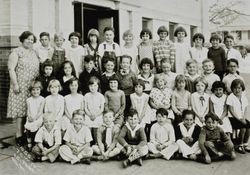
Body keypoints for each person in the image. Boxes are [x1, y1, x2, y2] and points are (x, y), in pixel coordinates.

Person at [7, 31, 40, 145]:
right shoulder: (16, 52)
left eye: (32, 39)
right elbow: (11, 69)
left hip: (32, 87)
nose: (30, 41)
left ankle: (27, 133)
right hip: (20, 85)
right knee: (20, 112)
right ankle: (19, 135)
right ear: (22, 39)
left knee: (30, 110)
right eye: (28, 39)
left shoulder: (34, 52)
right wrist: (15, 84)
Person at [226, 79, 250, 154]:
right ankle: (240, 144)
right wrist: (239, 119)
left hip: (241, 118)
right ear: (232, 89)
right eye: (235, 88)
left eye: (239, 88)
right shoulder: (230, 97)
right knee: (243, 127)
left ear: (242, 88)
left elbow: (246, 108)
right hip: (233, 118)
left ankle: (245, 144)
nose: (237, 90)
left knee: (248, 126)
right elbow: (231, 110)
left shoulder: (243, 97)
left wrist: (244, 118)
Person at [24, 80, 45, 150]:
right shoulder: (29, 100)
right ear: (31, 90)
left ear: (40, 90)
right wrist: (29, 116)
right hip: (31, 117)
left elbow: (40, 111)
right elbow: (28, 110)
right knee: (27, 126)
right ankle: (29, 142)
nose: (35, 91)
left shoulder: (42, 99)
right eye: (33, 90)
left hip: (38, 117)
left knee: (36, 124)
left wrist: (35, 118)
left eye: (37, 89)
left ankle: (36, 142)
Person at [84, 76, 105, 142]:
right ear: (88, 86)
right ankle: (88, 143)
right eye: (91, 86)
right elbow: (85, 107)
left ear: (98, 86)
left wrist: (95, 115)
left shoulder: (101, 96)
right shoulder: (86, 95)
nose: (93, 88)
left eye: (95, 85)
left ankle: (97, 142)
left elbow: (102, 109)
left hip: (98, 115)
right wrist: (89, 115)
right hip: (88, 115)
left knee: (97, 129)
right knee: (87, 128)